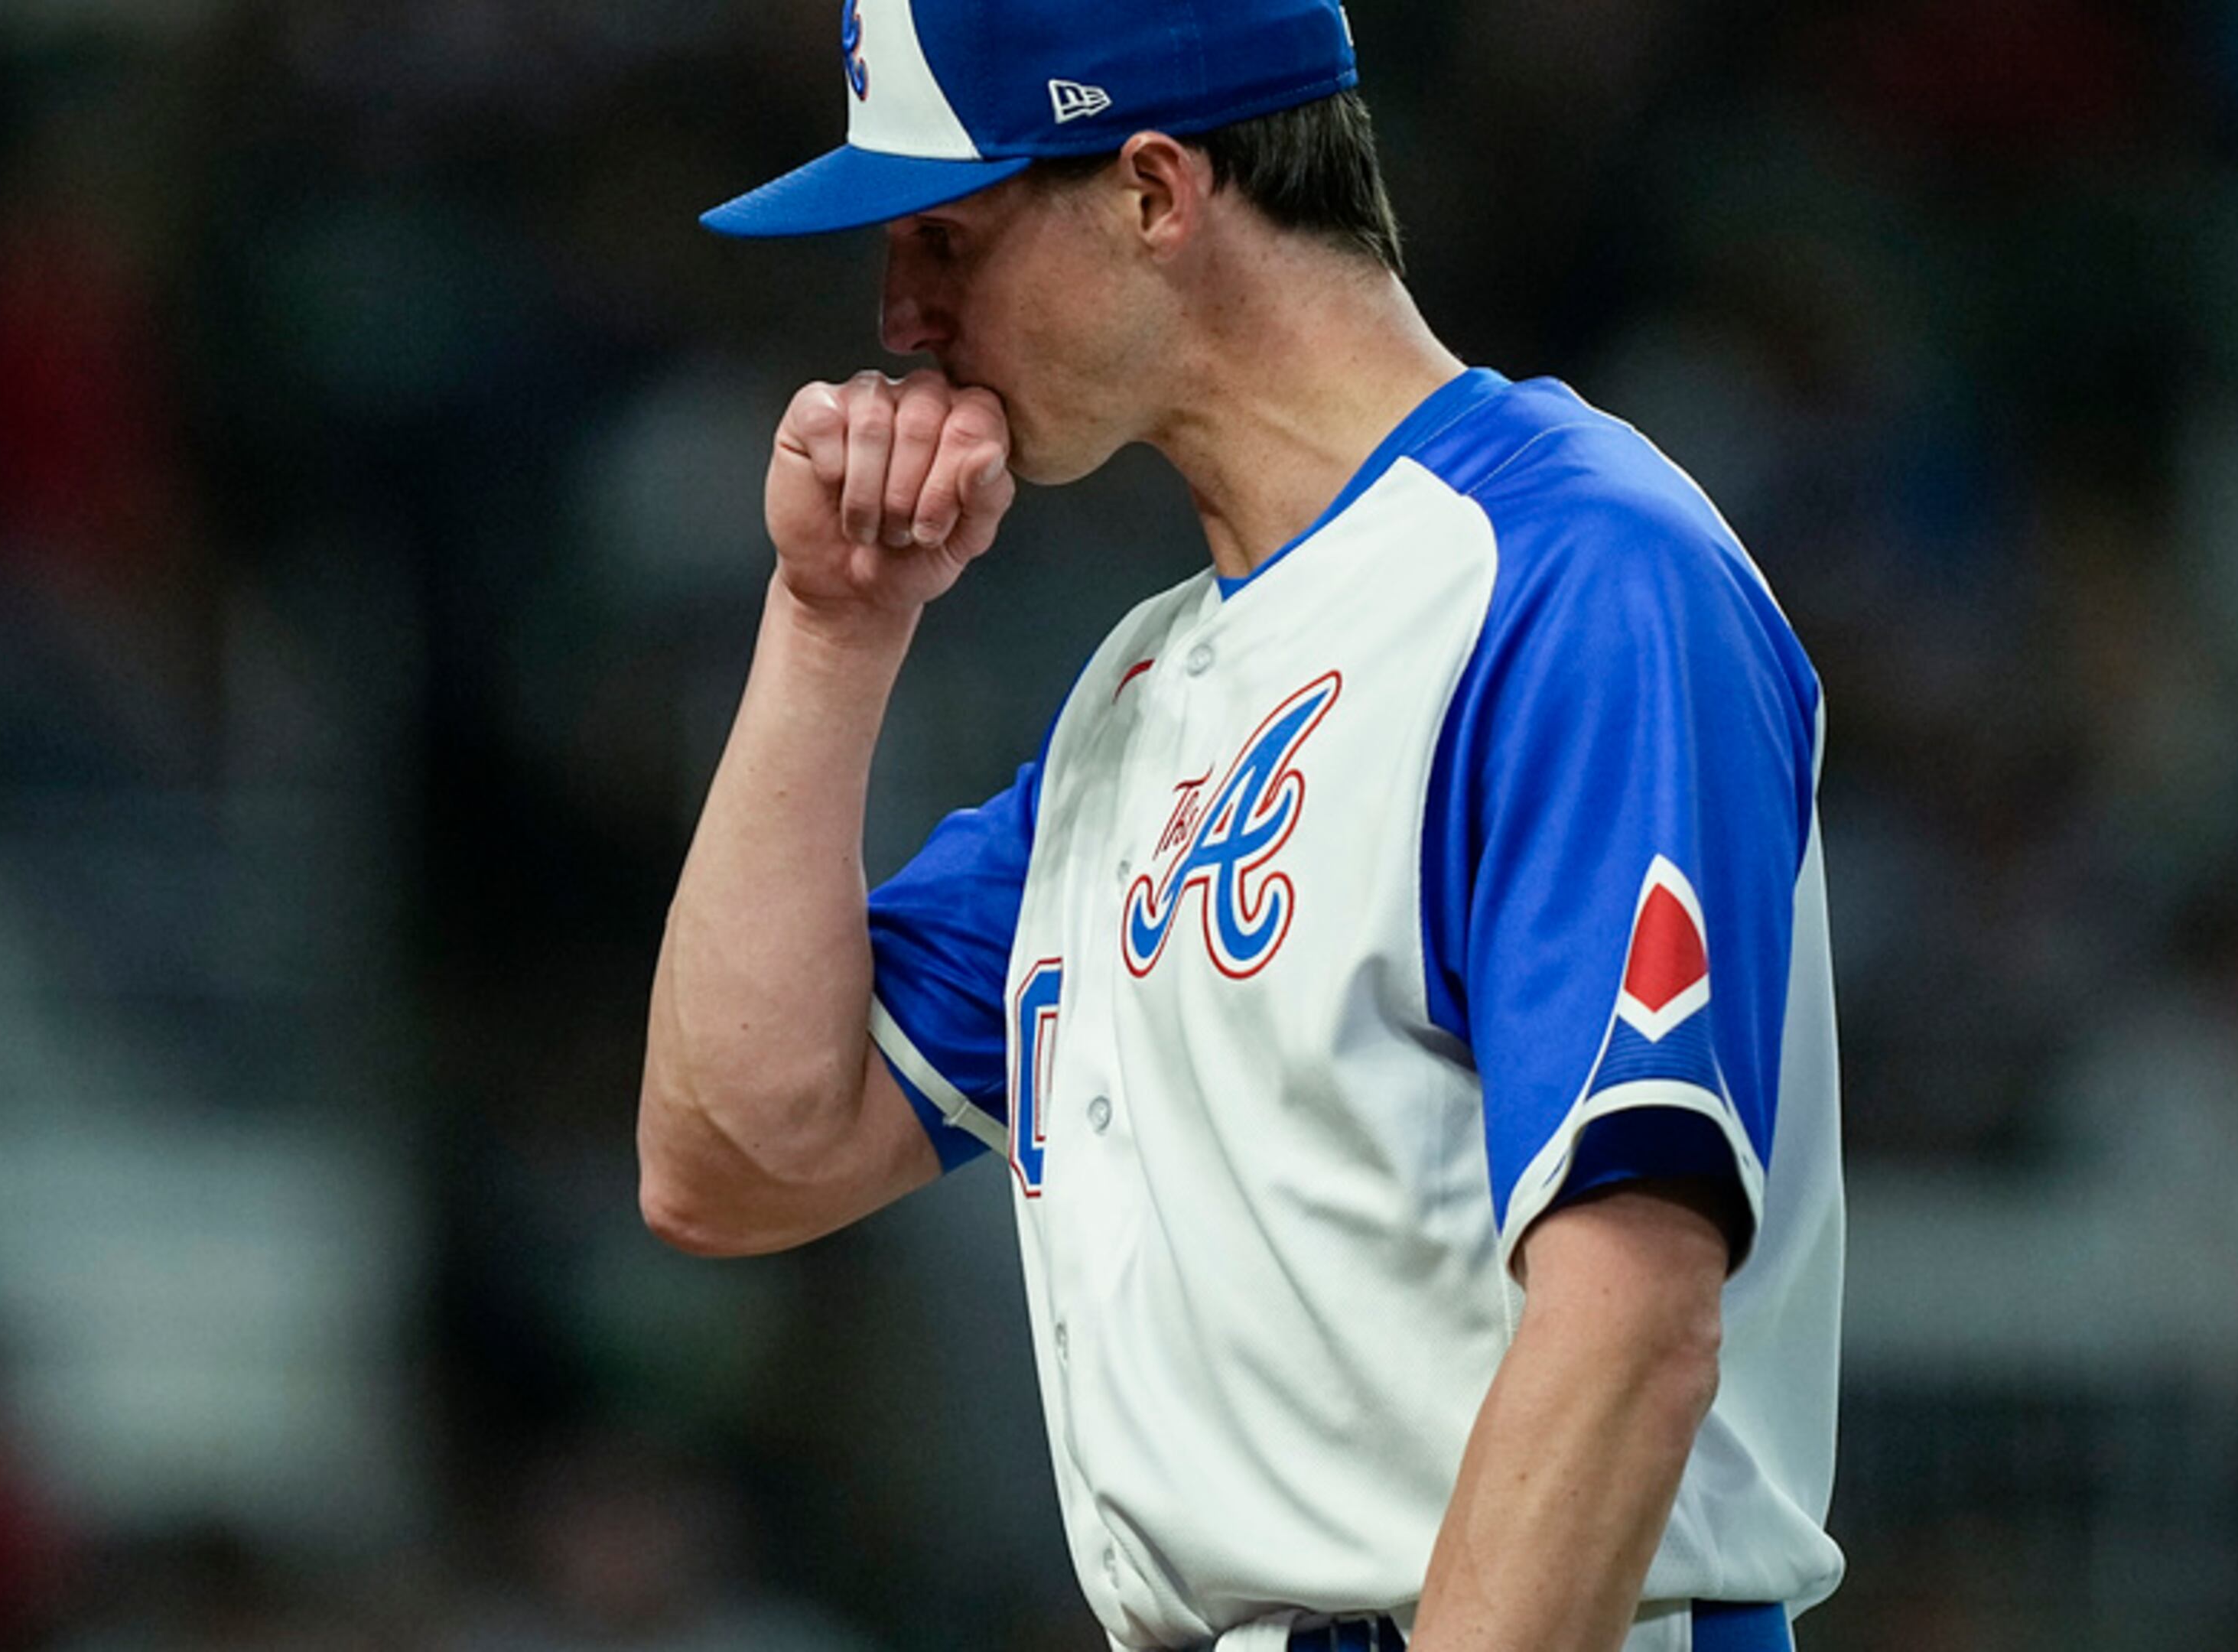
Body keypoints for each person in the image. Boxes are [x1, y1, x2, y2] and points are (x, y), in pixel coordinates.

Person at [635, 2, 1845, 1648]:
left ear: (1153, 192)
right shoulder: (1144, 691)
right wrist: (832, 626)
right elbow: (734, 1156)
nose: (899, 317)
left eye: (945, 234)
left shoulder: (1576, 574)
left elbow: (1631, 1319)